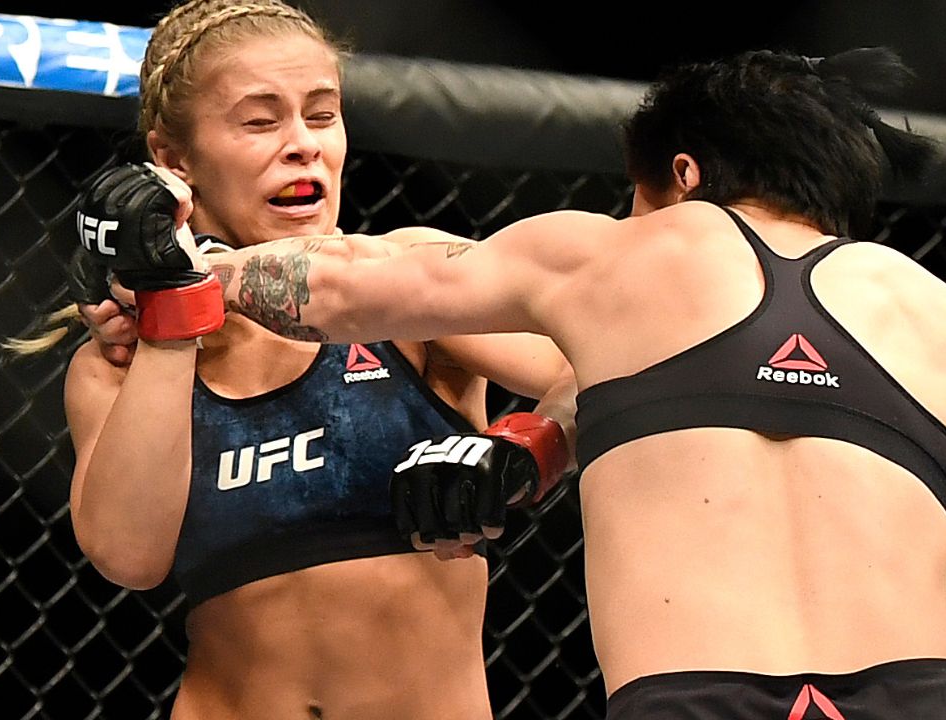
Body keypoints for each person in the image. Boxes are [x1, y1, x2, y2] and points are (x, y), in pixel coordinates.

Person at [83, 47, 946, 718]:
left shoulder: (611, 257)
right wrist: (543, 441)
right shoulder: (945, 318)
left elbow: (341, 284)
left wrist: (182, 271)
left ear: (679, 174)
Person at [51, 1, 571, 718]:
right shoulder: (118, 355)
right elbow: (129, 555)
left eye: (321, 115)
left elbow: (614, 363)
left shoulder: (415, 280)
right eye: (260, 122)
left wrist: (530, 450)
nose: (303, 146)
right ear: (174, 161)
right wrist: (173, 317)